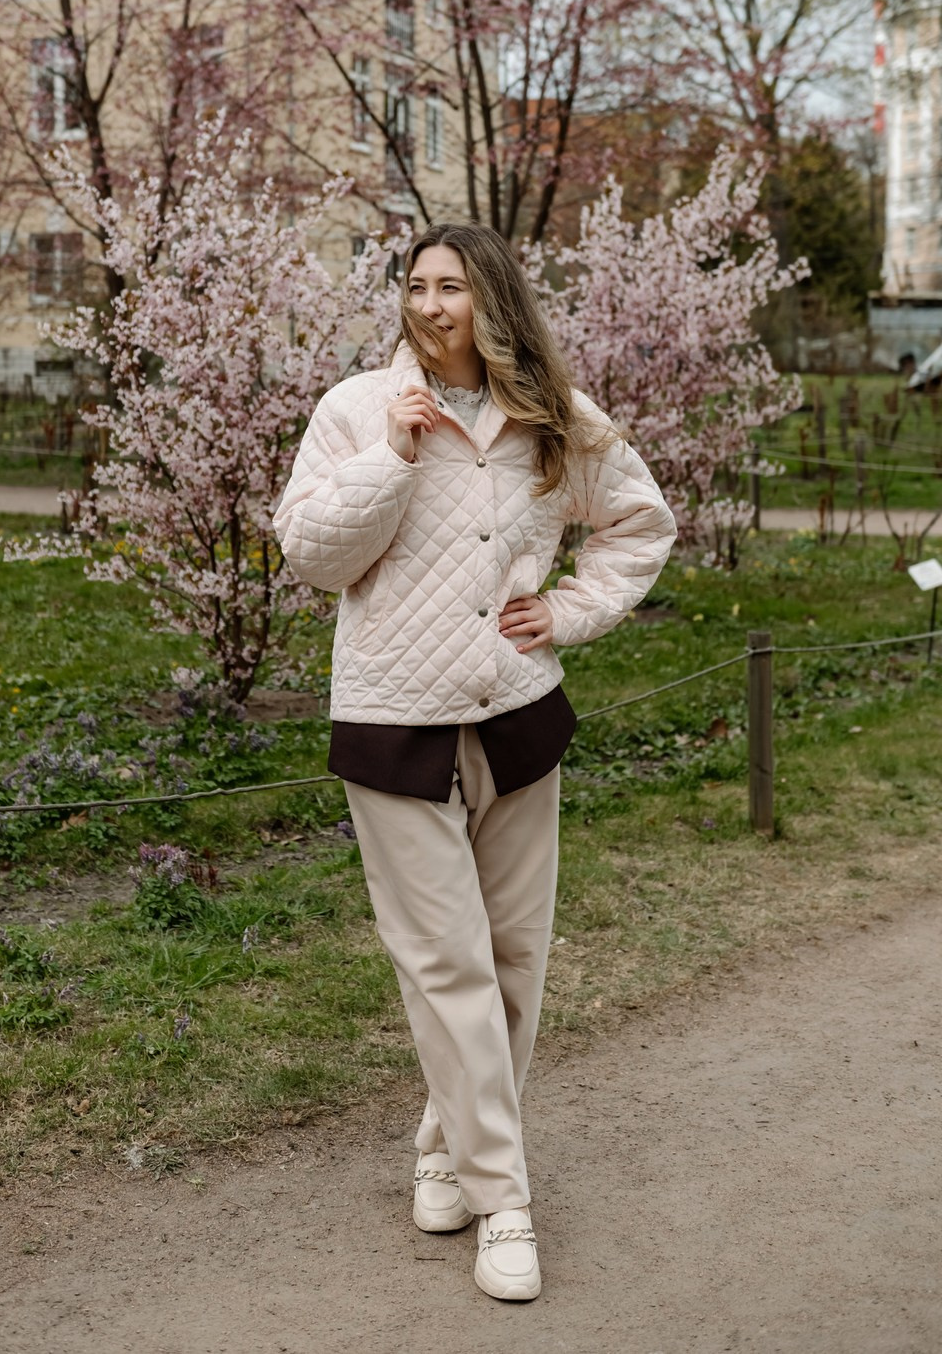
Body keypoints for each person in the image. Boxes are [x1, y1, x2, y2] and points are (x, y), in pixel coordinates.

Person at [273, 221, 676, 1302]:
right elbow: (310, 555)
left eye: (451, 285)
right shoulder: (358, 409)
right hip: (392, 718)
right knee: (444, 960)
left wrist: (572, 609)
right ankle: (506, 1199)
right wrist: (391, 456)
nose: (428, 302)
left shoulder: (554, 416)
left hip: (515, 716)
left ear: (491, 299)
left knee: (511, 961)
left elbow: (640, 521)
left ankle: (447, 1149)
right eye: (415, 284)